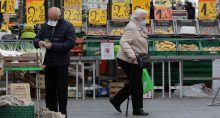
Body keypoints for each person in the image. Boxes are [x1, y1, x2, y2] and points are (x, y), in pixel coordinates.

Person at [34, 7, 75, 116]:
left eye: (53, 18)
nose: (51, 20)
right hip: (48, 63)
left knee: (62, 91)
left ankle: (62, 115)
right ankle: (51, 114)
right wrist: (39, 43)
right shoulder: (45, 25)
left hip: (61, 64)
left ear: (59, 16)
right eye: (50, 18)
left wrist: (53, 46)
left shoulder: (68, 26)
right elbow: (36, 38)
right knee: (50, 91)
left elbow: (70, 44)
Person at [109, 8, 149, 116]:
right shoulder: (132, 27)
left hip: (136, 58)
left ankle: (116, 100)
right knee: (136, 84)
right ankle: (137, 109)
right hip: (128, 59)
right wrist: (132, 55)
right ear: (137, 18)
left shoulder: (139, 26)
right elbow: (124, 42)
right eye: (143, 18)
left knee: (135, 83)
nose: (145, 20)